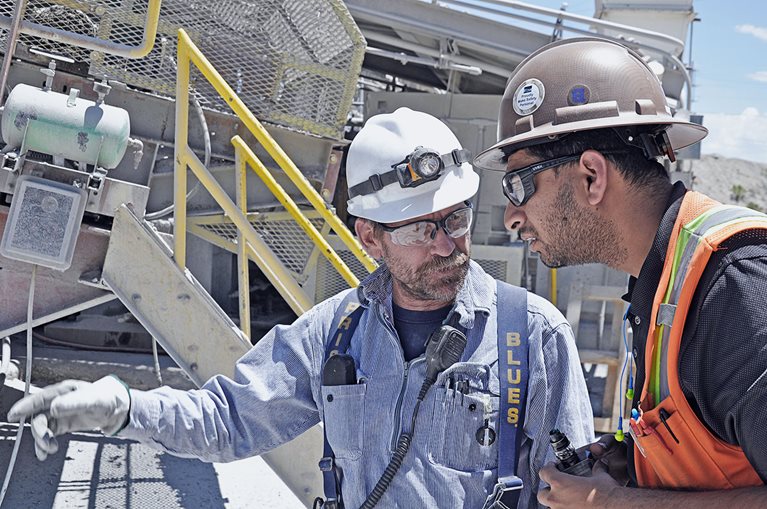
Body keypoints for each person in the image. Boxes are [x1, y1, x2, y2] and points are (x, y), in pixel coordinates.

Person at [9, 107, 593, 508]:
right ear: (369, 237)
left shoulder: (533, 338)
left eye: (456, 218)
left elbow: (577, 493)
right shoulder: (335, 334)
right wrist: (122, 406)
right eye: (419, 228)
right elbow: (228, 419)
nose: (447, 244)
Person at [474, 37, 767, 508]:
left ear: (592, 176)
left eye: (519, 184)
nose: (511, 216)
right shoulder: (667, 286)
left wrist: (608, 503)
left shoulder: (736, 287)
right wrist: (634, 461)